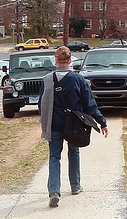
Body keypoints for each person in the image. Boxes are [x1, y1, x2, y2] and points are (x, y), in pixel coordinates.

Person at [39, 46, 109, 208]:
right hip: (74, 123)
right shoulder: (79, 80)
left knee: (54, 157)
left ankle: (54, 191)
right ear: (70, 61)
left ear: (56, 61)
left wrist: (44, 122)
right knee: (74, 153)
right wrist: (102, 122)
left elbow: (41, 104)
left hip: (54, 123)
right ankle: (75, 186)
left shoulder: (47, 79)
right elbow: (90, 104)